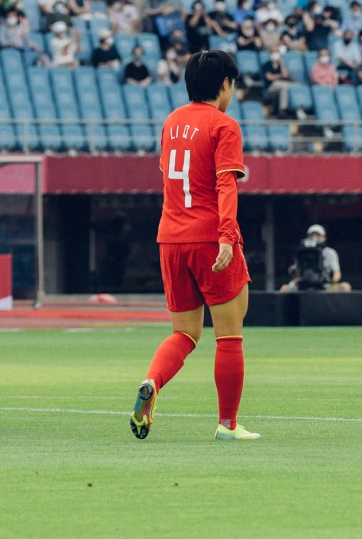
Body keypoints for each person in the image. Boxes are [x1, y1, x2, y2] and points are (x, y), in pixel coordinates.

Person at [129, 50, 259, 442]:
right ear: (224, 85)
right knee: (229, 332)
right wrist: (226, 235)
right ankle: (228, 425)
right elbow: (225, 184)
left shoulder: (172, 122)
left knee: (184, 333)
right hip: (208, 236)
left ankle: (152, 381)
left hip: (170, 236)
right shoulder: (224, 125)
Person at [283, 225, 351, 292]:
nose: (314, 237)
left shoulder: (330, 252)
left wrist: (331, 281)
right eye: (312, 235)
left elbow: (337, 273)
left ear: (324, 237)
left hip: (324, 285)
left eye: (318, 235)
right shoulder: (301, 252)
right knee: (284, 289)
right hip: (303, 284)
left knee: (345, 287)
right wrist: (295, 276)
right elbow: (296, 272)